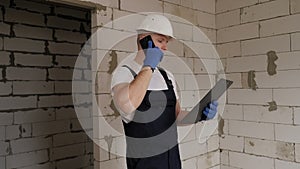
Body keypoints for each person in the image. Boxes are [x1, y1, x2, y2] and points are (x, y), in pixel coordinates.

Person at [111, 14, 218, 169]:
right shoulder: (124, 73)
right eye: (160, 40)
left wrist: (199, 115)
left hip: (172, 161)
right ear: (143, 39)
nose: (165, 47)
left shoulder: (167, 76)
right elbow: (126, 105)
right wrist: (148, 66)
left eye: (166, 42)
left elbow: (175, 116)